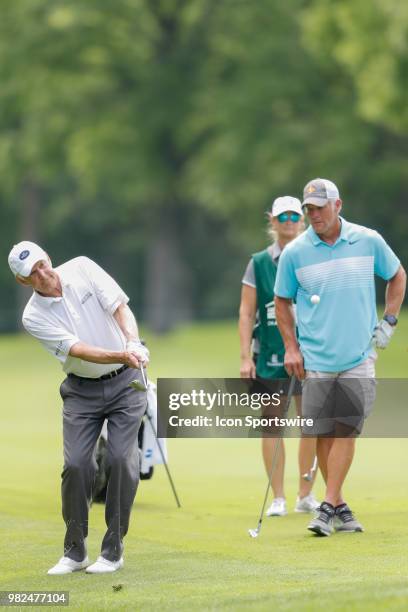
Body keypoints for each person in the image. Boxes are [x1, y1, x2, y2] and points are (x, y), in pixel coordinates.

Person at [274, 178, 406, 536]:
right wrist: (290, 346)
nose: (313, 214)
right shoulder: (295, 253)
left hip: (358, 356)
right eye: (309, 209)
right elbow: (282, 301)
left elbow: (397, 276)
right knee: (323, 434)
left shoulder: (368, 240)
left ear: (338, 205)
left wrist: (390, 320)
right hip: (316, 359)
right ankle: (341, 505)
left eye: (319, 207)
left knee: (346, 429)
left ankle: (327, 506)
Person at [8, 241, 150, 574]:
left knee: (118, 459)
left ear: (49, 257)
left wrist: (132, 342)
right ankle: (75, 551)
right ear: (23, 281)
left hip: (127, 383)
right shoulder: (33, 316)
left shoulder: (83, 267)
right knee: (76, 465)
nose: (43, 274)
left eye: (43, 264)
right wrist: (122, 353)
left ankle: (113, 551)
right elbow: (79, 350)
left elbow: (120, 307)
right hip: (81, 391)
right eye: (33, 273)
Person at [239, 196, 319, 517]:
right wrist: (245, 357)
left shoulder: (315, 256)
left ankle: (305, 494)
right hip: (270, 354)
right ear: (272, 220)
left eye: (293, 215)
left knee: (310, 423)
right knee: (272, 424)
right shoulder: (258, 262)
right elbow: (246, 313)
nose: (288, 220)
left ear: (302, 220)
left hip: (313, 353)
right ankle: (278, 498)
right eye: (281, 215)